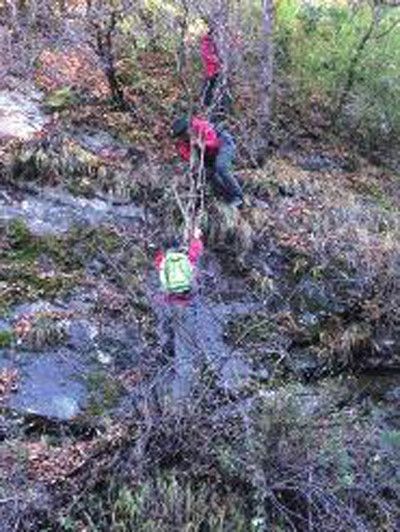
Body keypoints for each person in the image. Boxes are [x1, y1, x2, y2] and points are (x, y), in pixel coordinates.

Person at [171, 115, 243, 208]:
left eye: (184, 134)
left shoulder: (201, 126)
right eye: (181, 137)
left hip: (223, 144)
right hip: (207, 155)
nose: (184, 138)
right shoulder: (181, 144)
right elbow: (188, 157)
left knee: (221, 167)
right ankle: (227, 198)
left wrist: (200, 143)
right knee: (205, 174)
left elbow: (214, 142)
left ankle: (238, 196)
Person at [154, 227, 204, 304]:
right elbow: (196, 251)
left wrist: (155, 249)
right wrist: (196, 238)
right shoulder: (186, 257)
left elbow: (157, 264)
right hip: (187, 289)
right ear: (179, 248)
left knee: (160, 298)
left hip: (170, 291)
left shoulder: (162, 259)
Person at [200, 23, 222, 108]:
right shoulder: (206, 42)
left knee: (213, 87)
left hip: (216, 70)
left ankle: (212, 104)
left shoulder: (215, 42)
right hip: (210, 70)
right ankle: (204, 104)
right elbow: (206, 55)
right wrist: (217, 61)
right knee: (208, 87)